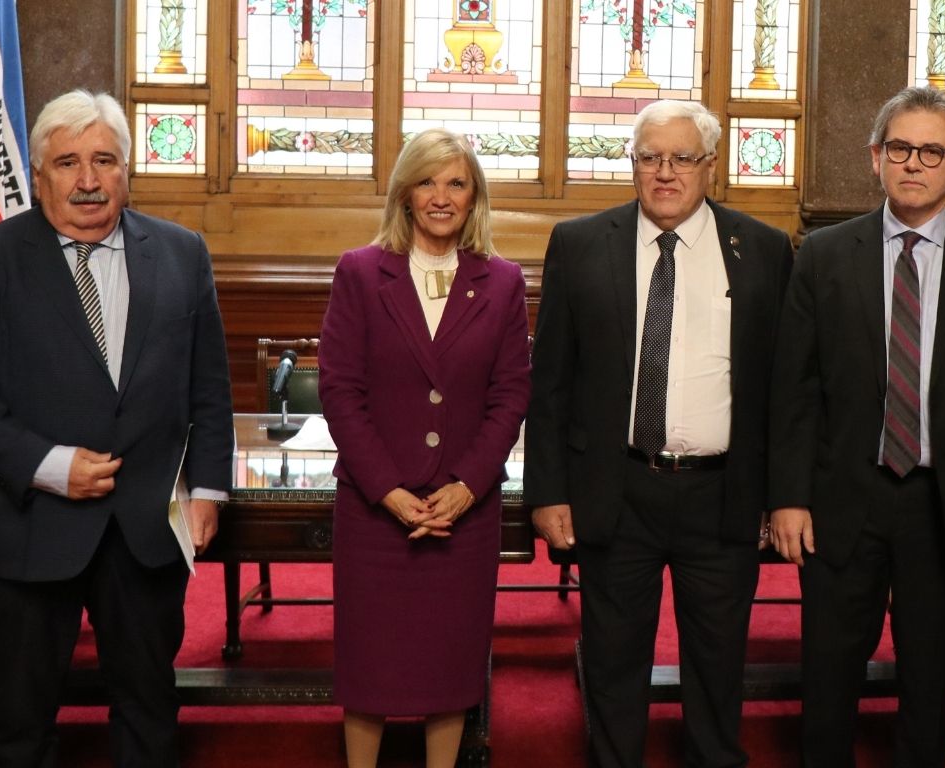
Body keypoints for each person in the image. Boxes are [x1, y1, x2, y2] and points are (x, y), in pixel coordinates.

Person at [0, 90, 232, 768]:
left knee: (149, 711)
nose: (88, 181)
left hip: (147, 528)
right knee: (20, 720)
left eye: (104, 160)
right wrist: (49, 464)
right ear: (39, 177)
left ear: (129, 171)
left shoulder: (184, 254)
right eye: (68, 163)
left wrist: (210, 487)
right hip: (27, 525)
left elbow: (209, 386)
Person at [766, 86, 945, 768]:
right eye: (900, 149)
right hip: (841, 498)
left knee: (931, 673)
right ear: (875, 158)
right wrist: (788, 497)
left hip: (943, 501)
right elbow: (793, 390)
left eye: (932, 151)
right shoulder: (824, 254)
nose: (914, 164)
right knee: (829, 672)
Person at [524, 100, 793, 768]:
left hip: (722, 493)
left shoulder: (761, 249)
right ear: (633, 164)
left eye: (682, 158)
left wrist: (780, 493)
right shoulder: (581, 243)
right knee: (613, 664)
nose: (665, 172)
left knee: (717, 663)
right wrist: (547, 490)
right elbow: (550, 378)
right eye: (650, 157)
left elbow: (783, 389)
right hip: (617, 486)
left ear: (711, 165)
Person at [317, 128, 532, 768]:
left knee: (450, 665)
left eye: (456, 183)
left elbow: (512, 395)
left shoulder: (502, 281)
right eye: (427, 182)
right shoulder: (361, 272)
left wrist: (467, 485)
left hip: (463, 513)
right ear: (405, 193)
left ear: (474, 198)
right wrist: (389, 491)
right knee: (369, 665)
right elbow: (340, 390)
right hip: (376, 511)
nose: (441, 197)